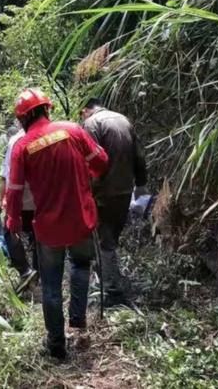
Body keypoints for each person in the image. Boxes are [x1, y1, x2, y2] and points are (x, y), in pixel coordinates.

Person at [5, 88, 108, 359]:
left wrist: (13, 221)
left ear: (22, 119)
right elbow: (101, 160)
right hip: (82, 218)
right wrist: (88, 176)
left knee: (51, 285)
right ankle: (78, 320)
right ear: (47, 109)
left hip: (49, 227)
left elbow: (14, 191)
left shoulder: (22, 146)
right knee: (81, 265)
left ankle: (56, 344)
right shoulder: (72, 130)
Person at [81, 99, 148, 307]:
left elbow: (90, 159)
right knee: (110, 238)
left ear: (85, 111)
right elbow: (139, 155)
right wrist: (141, 183)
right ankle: (107, 276)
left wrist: (85, 188)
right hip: (125, 189)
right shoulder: (124, 120)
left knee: (105, 241)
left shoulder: (92, 124)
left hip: (103, 190)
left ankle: (111, 290)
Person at [0, 121, 37, 287]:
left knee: (9, 232)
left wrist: (3, 202)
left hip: (21, 201)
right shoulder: (52, 135)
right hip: (42, 202)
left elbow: (8, 176)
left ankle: (25, 271)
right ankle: (39, 273)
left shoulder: (16, 140)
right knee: (37, 237)